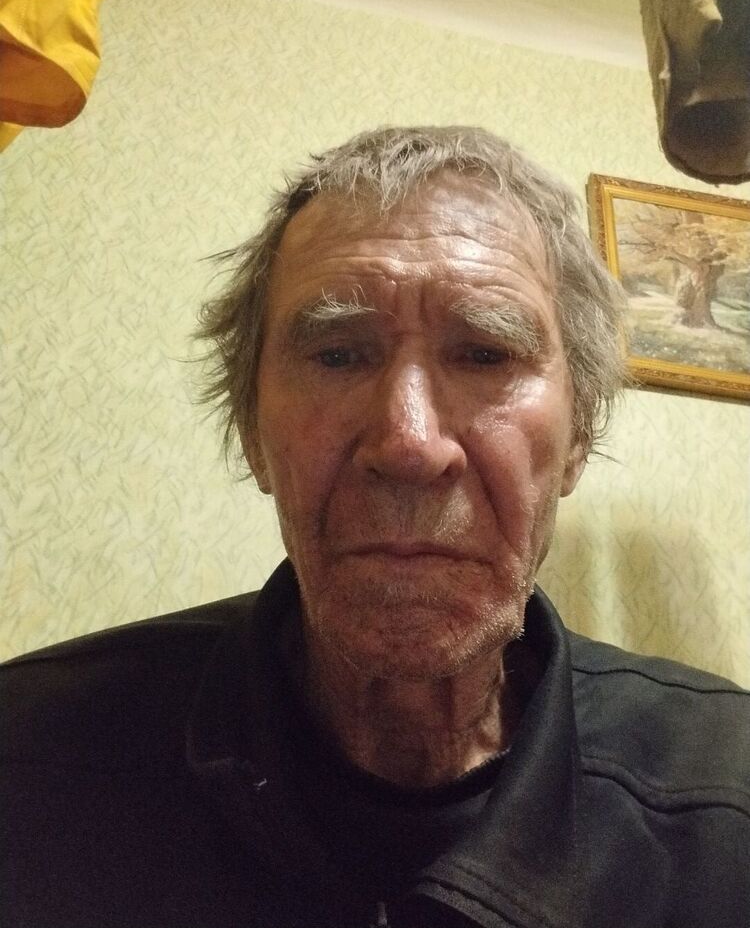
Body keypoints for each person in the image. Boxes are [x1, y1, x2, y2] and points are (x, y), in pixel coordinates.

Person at [2, 127, 748, 928]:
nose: (410, 444)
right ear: (253, 433)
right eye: (338, 355)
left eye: (486, 353)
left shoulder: (726, 793)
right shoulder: (31, 758)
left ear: (578, 438)